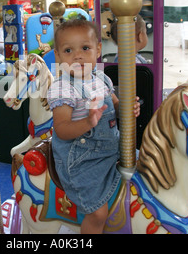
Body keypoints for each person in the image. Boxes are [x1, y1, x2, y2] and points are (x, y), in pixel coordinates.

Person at [47, 19, 140, 234]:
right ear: (58, 56)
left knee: (146, 166)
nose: (77, 55)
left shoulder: (101, 79)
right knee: (98, 214)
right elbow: (62, 129)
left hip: (112, 147)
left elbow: (115, 107)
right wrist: (88, 121)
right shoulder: (63, 89)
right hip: (82, 158)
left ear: (97, 50)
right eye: (68, 50)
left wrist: (128, 109)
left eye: (85, 48)